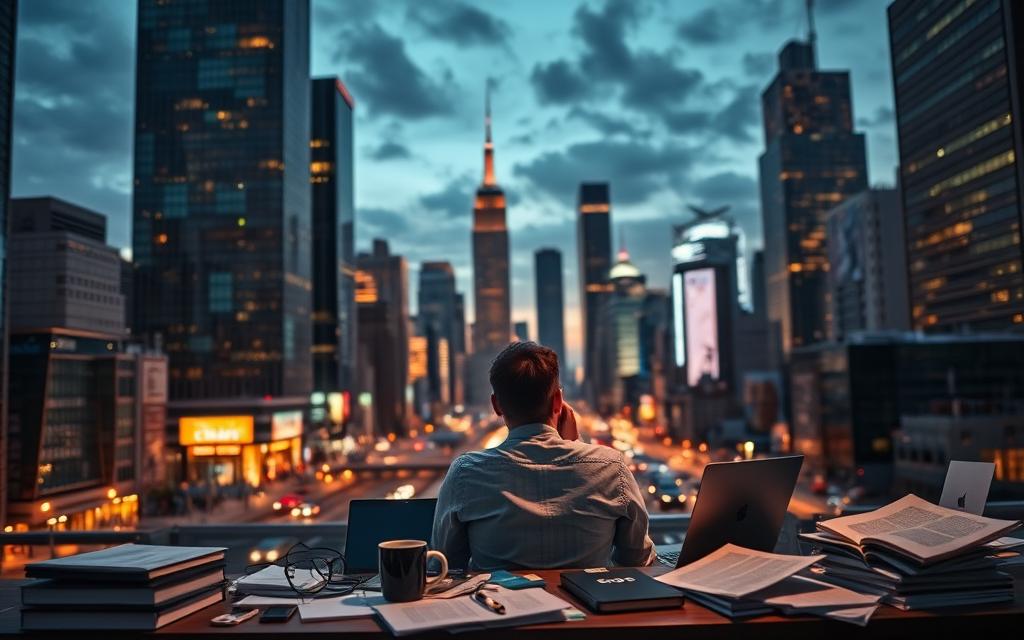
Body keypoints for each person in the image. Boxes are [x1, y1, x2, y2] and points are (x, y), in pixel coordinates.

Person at [431, 341, 656, 571]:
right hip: (586, 604)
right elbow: (636, 558)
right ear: (558, 401)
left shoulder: (466, 474)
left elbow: (444, 566)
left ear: (496, 405)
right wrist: (575, 445)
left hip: (503, 606)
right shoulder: (610, 468)